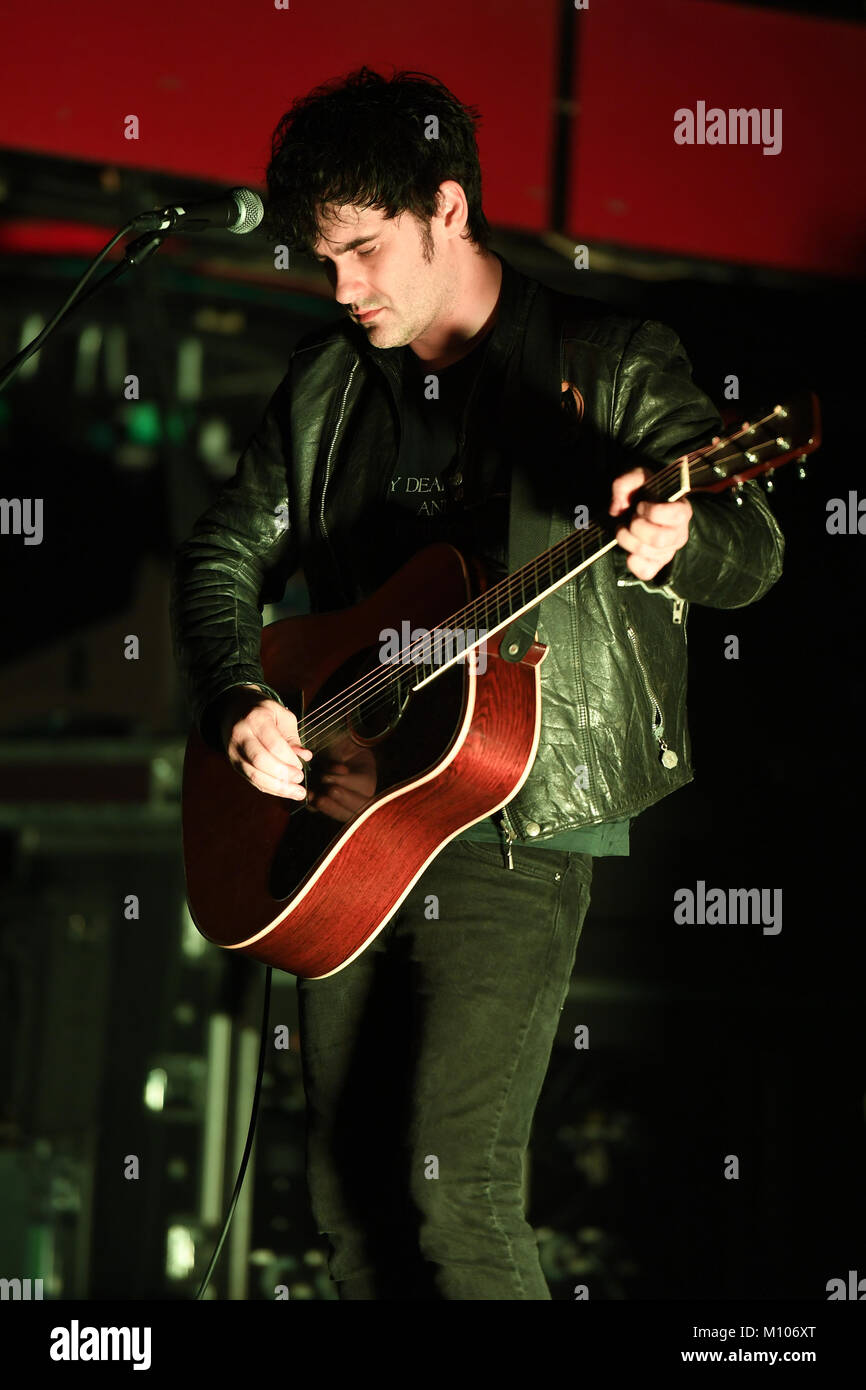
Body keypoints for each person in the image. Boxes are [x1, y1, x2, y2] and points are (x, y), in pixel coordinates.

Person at [170, 67, 784, 1300]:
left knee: (455, 1195)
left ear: (448, 210)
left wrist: (681, 538)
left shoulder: (604, 361)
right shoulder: (328, 383)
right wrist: (243, 692)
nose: (343, 290)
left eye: (362, 250)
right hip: (348, 807)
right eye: (320, 258)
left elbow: (753, 552)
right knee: (343, 1205)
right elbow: (227, 550)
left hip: (520, 805)